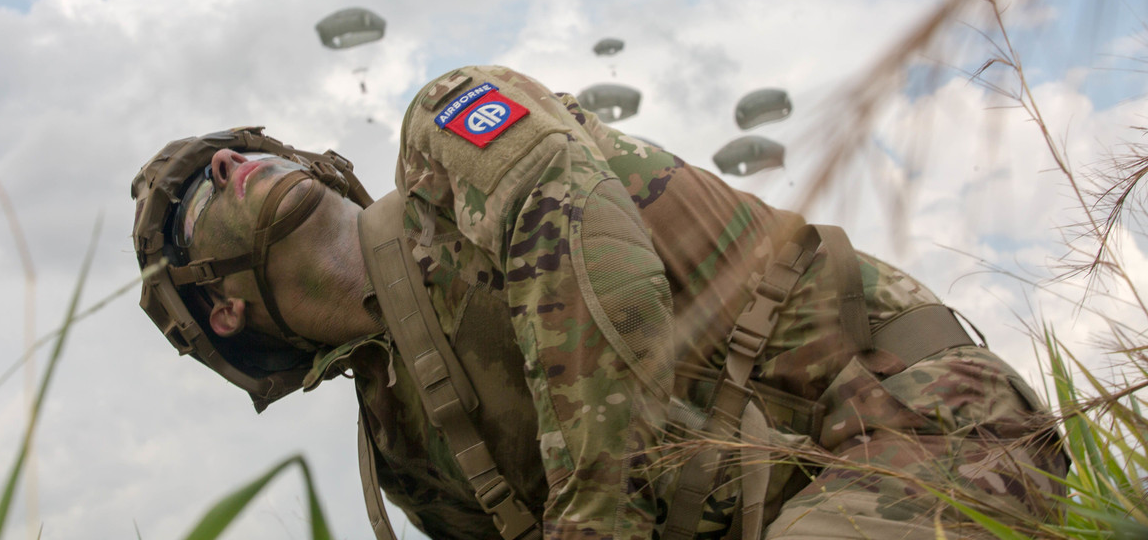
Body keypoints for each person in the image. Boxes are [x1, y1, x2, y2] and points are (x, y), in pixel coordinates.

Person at [131, 64, 1066, 540]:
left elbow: (591, 257)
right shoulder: (411, 455)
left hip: (915, 417)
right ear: (223, 312)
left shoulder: (446, 138)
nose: (226, 162)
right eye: (196, 204)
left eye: (237, 149)